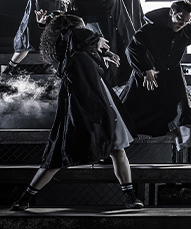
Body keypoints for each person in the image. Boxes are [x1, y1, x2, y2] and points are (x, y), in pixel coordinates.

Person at [9, 14, 142, 211]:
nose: (87, 31)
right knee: (59, 154)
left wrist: (101, 53)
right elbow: (78, 39)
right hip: (84, 104)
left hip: (100, 100)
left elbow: (82, 49)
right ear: (74, 31)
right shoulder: (70, 47)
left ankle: (130, 196)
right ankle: (25, 198)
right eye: (83, 28)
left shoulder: (78, 51)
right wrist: (96, 41)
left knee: (117, 149)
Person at [120, 0, 191, 163]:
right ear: (171, 12)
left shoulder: (188, 29)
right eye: (180, 18)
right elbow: (132, 49)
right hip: (147, 75)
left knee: (184, 109)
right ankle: (113, 153)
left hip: (172, 75)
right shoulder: (149, 30)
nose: (183, 23)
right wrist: (145, 69)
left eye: (187, 20)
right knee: (127, 109)